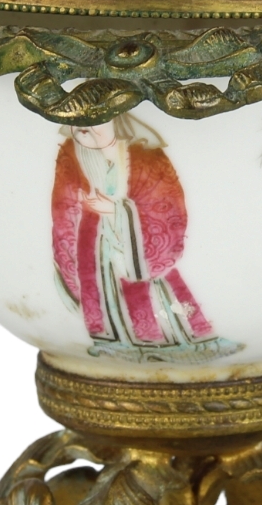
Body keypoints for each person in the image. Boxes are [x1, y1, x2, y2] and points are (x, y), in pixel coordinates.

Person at [51, 114, 232, 359]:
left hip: (135, 241)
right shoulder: (72, 153)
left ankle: (169, 340)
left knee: (152, 286)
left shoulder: (144, 155)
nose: (86, 128)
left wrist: (118, 211)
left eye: (96, 121)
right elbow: (64, 203)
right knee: (99, 284)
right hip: (94, 238)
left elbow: (164, 203)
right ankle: (112, 341)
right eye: (80, 122)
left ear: (117, 121)